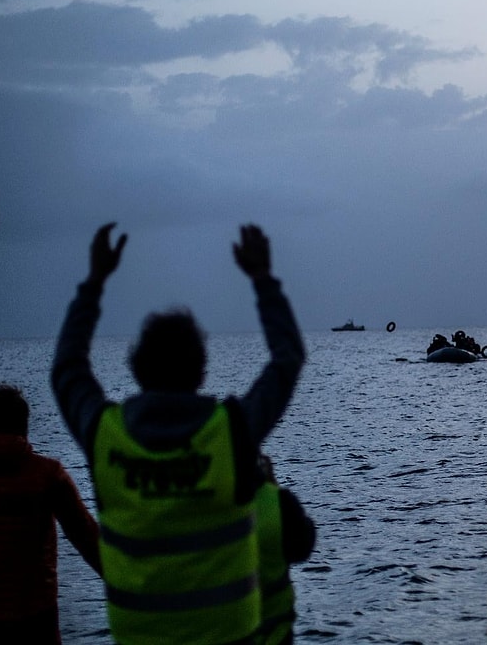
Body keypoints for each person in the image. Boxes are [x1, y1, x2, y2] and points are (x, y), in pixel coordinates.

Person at [51, 223, 305, 645]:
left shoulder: (105, 436)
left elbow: (67, 368)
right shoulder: (230, 433)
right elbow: (287, 359)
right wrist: (262, 278)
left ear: (136, 369)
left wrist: (94, 282)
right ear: (201, 369)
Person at [0, 384, 102, 645]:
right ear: (24, 425)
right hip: (38, 614)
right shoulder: (48, 474)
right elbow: (85, 534)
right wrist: (118, 576)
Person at [254, 454, 316, 645]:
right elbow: (302, 547)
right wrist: (270, 487)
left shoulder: (169, 506)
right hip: (270, 635)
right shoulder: (277, 503)